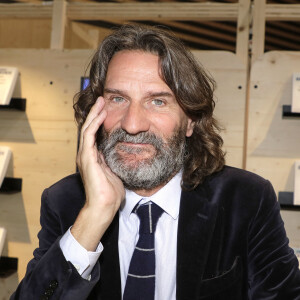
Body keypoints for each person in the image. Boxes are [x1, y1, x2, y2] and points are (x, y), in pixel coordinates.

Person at [11, 24, 300, 300]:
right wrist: (94, 217)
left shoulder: (246, 200)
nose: (133, 124)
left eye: (157, 101)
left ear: (190, 120)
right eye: (117, 99)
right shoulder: (65, 203)